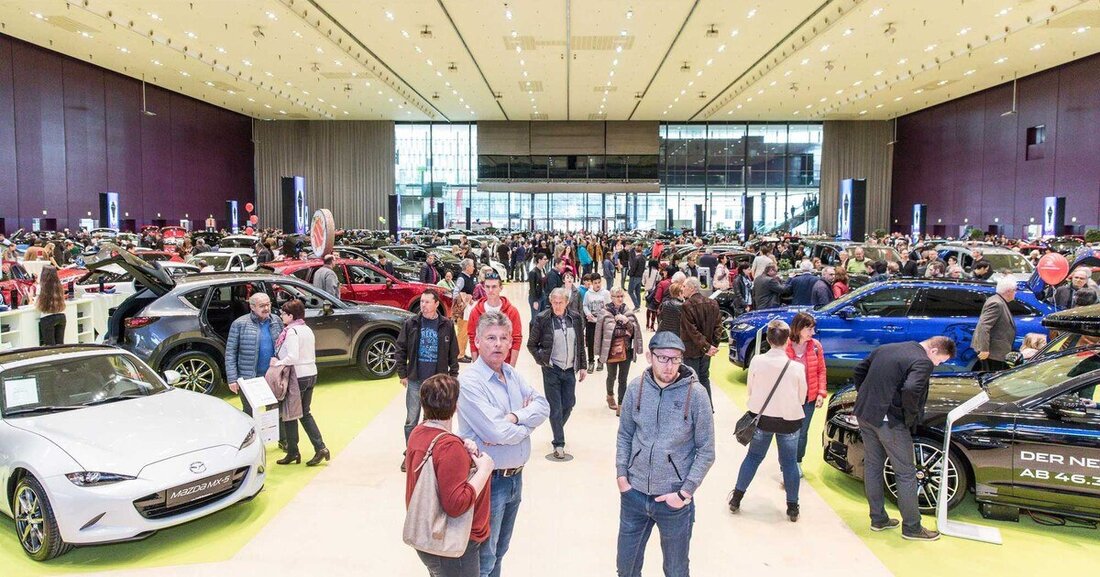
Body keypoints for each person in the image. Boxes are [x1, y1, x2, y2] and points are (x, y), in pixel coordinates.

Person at [615, 331, 715, 577]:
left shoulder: (697, 395)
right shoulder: (636, 388)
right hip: (634, 495)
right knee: (626, 568)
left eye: (675, 359)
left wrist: (684, 493)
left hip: (674, 500)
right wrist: (622, 477)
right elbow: (625, 434)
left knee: (676, 570)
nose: (669, 366)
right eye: (663, 358)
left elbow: (707, 450)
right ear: (650, 356)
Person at [458, 311, 550, 577]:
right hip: (489, 482)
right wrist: (525, 424)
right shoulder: (470, 383)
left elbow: (543, 406)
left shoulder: (511, 374)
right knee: (484, 558)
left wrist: (514, 418)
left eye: (503, 338)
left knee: (500, 551)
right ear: (476, 341)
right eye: (490, 338)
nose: (498, 344)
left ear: (511, 342)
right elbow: (497, 432)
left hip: (515, 479)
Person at [851, 336, 956, 541]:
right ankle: (912, 527)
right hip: (889, 422)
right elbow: (911, 388)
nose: (937, 365)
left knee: (873, 465)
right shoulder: (923, 361)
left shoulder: (887, 347)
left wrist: (868, 397)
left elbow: (859, 371)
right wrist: (908, 415)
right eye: (940, 361)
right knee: (906, 473)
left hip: (865, 414)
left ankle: (878, 519)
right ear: (934, 351)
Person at [404, 374, 495, 577]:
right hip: (453, 546)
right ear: (455, 406)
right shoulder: (449, 447)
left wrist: (459, 444)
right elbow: (456, 504)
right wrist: (485, 469)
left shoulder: (418, 434)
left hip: (429, 538)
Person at [728, 319, 807, 521]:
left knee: (753, 458)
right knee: (789, 463)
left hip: (761, 420)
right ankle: (793, 506)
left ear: (768, 339)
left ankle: (736, 498)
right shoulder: (796, 367)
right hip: (789, 421)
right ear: (788, 340)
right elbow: (802, 397)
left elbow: (751, 390)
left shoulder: (757, 361)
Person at [396, 290, 460, 471]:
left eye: (427, 302)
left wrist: (453, 376)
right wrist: (402, 373)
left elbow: (453, 352)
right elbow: (400, 348)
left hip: (437, 382)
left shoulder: (446, 325)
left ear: (436, 304)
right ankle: (410, 453)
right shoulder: (411, 323)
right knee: (411, 419)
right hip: (416, 379)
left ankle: (428, 452)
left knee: (431, 420)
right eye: (422, 302)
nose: (423, 305)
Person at [527, 288, 588, 459]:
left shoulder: (575, 318)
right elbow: (531, 344)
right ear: (551, 301)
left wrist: (583, 365)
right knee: (555, 407)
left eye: (561, 302)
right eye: (554, 302)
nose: (557, 305)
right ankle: (559, 443)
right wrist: (543, 360)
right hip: (551, 369)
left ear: (567, 302)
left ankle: (557, 427)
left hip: (569, 369)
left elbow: (580, 344)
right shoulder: (542, 319)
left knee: (569, 404)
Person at [271, 299, 329, 466]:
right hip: (311, 373)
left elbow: (293, 357)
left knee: (290, 414)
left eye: (283, 313)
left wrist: (278, 363)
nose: (281, 316)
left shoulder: (292, 332)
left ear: (290, 315)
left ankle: (294, 451)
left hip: (298, 375)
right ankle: (319, 447)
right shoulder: (306, 329)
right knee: (304, 412)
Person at [226, 292, 284, 416]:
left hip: (272, 376)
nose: (266, 308)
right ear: (252, 307)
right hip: (249, 378)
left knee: (275, 413)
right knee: (249, 412)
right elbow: (231, 352)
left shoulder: (276, 321)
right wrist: (232, 379)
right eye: (262, 306)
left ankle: (278, 436)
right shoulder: (239, 324)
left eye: (268, 304)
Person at [785, 312, 827, 474]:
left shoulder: (816, 346)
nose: (812, 332)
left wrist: (821, 393)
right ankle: (786, 462)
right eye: (808, 329)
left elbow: (821, 371)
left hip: (809, 398)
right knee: (787, 432)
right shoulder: (785, 345)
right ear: (798, 328)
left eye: (813, 329)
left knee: (802, 432)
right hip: (789, 398)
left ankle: (797, 461)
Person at [595, 287, 642, 413]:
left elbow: (633, 331)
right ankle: (610, 396)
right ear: (612, 297)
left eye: (622, 296)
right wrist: (621, 328)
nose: (620, 299)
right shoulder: (605, 312)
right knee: (611, 376)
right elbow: (603, 332)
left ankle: (622, 404)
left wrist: (626, 321)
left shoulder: (628, 311)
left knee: (623, 378)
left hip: (626, 349)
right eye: (617, 296)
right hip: (610, 350)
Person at [468, 271, 523, 367]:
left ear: (500, 288)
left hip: (504, 364)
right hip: (483, 364)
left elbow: (516, 340)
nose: (490, 290)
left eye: (494, 287)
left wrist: (511, 367)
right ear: (484, 288)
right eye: (487, 287)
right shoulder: (475, 312)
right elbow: (473, 339)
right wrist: (476, 366)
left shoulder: (512, 312)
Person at [680, 277, 721, 403]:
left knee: (691, 380)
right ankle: (707, 408)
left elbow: (692, 331)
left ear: (692, 288)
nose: (683, 289)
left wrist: (707, 347)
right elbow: (718, 327)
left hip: (692, 351)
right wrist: (711, 346)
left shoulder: (687, 306)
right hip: (706, 351)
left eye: (685, 286)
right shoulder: (713, 303)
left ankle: (693, 412)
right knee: (704, 378)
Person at [972, 278, 1018, 372]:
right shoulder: (996, 303)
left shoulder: (998, 301)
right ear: (1008, 291)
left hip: (996, 352)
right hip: (992, 353)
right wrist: (984, 349)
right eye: (1014, 290)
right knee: (992, 379)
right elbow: (984, 326)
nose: (1015, 293)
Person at [583, 275, 611, 372]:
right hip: (591, 322)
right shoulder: (588, 294)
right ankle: (591, 361)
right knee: (590, 342)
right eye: (595, 283)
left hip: (602, 322)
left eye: (599, 282)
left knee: (601, 341)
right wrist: (588, 313)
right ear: (591, 283)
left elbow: (609, 306)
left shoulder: (606, 293)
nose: (597, 284)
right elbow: (585, 305)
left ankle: (600, 360)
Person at [36, 266, 66, 345]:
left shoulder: (41, 287)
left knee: (50, 346)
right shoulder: (59, 286)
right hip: (61, 317)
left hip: (47, 318)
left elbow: (37, 304)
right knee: (60, 345)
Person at [453, 292, 473, 363]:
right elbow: (461, 307)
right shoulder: (460, 295)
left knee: (465, 336)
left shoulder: (464, 294)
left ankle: (463, 353)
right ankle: (460, 355)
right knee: (462, 335)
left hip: (466, 317)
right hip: (462, 317)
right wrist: (467, 300)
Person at [528, 254, 548, 318]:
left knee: (542, 317)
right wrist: (535, 301)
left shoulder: (543, 270)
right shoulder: (533, 272)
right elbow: (532, 288)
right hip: (536, 297)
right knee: (535, 318)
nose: (546, 261)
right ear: (539, 260)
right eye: (544, 259)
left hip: (542, 295)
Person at [627, 243, 646, 309]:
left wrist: (630, 274)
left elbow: (633, 268)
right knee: (637, 292)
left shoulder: (636, 258)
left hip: (634, 277)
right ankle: (638, 305)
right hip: (640, 277)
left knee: (630, 291)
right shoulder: (643, 258)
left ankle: (637, 306)